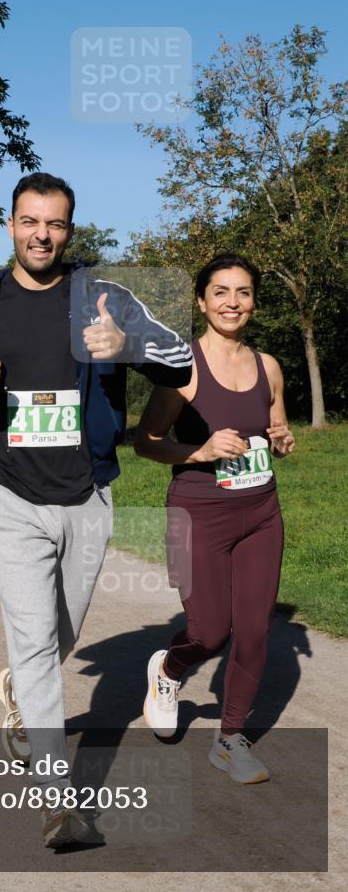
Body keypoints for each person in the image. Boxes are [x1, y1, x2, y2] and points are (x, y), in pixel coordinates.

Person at [0, 172, 192, 848]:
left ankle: (27, 701)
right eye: (30, 221)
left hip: (85, 494)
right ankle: (60, 803)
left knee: (62, 632)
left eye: (54, 224)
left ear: (69, 230)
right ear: (10, 225)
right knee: (34, 640)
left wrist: (129, 348)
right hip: (8, 492)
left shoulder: (106, 299)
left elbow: (179, 356)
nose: (41, 234)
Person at [134, 254, 295, 784]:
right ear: (201, 301)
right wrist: (200, 452)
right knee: (208, 633)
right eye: (221, 292)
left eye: (243, 292)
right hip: (198, 512)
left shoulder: (268, 366)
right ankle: (169, 669)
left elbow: (275, 424)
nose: (232, 302)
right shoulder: (181, 369)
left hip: (260, 511)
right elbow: (146, 444)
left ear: (253, 302)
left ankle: (229, 739)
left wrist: (282, 437)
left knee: (252, 632)